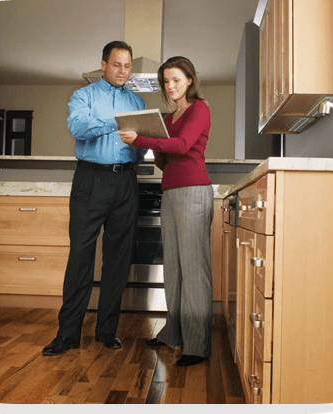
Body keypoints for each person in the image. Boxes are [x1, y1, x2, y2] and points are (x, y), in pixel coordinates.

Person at [43, 41, 147, 356]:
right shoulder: (83, 96)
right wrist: (116, 121)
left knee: (118, 259)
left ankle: (106, 331)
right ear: (103, 64)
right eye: (117, 64)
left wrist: (136, 150)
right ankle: (68, 334)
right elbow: (78, 127)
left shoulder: (137, 101)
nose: (122, 71)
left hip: (126, 180)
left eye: (127, 66)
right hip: (91, 179)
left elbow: (141, 145)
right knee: (81, 257)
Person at [118, 56, 213, 367]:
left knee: (194, 269)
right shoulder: (169, 119)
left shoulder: (200, 108)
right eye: (165, 82)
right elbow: (164, 161)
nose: (170, 86)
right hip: (170, 193)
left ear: (189, 79)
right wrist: (150, 144)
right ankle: (173, 333)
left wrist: (143, 139)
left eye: (175, 79)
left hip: (193, 192)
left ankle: (197, 345)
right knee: (173, 267)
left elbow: (184, 146)